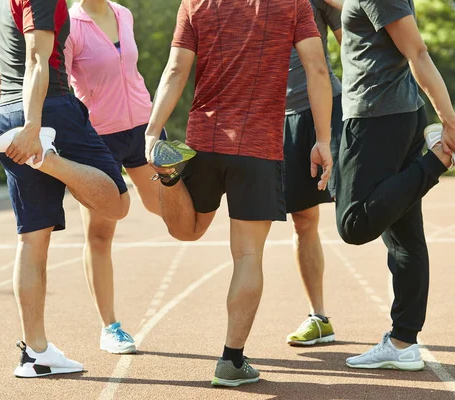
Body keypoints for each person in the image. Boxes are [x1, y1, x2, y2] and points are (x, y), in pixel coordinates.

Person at [144, 0, 334, 387]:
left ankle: (168, 178)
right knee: (248, 255)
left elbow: (177, 69)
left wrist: (151, 131)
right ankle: (231, 361)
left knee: (187, 230)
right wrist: (324, 139)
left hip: (206, 138)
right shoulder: (293, 3)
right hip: (259, 147)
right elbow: (316, 68)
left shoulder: (195, 2)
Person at [337, 0, 455, 370]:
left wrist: (451, 122)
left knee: (354, 224)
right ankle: (403, 342)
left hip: (376, 118)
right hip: (393, 115)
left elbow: (417, 51)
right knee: (405, 239)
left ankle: (441, 156)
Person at [0, 0, 130, 377]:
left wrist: (12, 118)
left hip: (7, 112)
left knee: (31, 240)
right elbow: (37, 59)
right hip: (48, 111)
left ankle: (35, 354)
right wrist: (32, 128)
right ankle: (46, 158)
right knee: (117, 202)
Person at [64, 0, 167, 354]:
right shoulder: (70, 23)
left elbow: (131, 72)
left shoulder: (124, 13)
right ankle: (110, 327)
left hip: (142, 126)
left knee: (167, 206)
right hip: (96, 137)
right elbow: (61, 88)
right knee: (100, 232)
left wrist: (155, 121)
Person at [284, 0, 343, 347]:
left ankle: (402, 326)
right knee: (302, 220)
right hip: (282, 116)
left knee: (368, 204)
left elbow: (355, 44)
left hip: (329, 108)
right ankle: (319, 317)